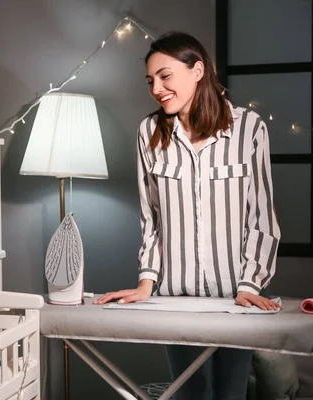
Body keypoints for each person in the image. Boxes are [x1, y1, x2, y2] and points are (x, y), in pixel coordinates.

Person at [94, 32, 281, 400]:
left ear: (198, 70)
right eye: (150, 81)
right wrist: (146, 281)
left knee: (230, 395)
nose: (156, 88)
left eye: (165, 76)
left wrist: (250, 284)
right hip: (174, 300)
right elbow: (151, 218)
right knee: (189, 394)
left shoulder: (249, 128)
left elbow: (262, 217)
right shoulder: (148, 132)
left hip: (234, 300)